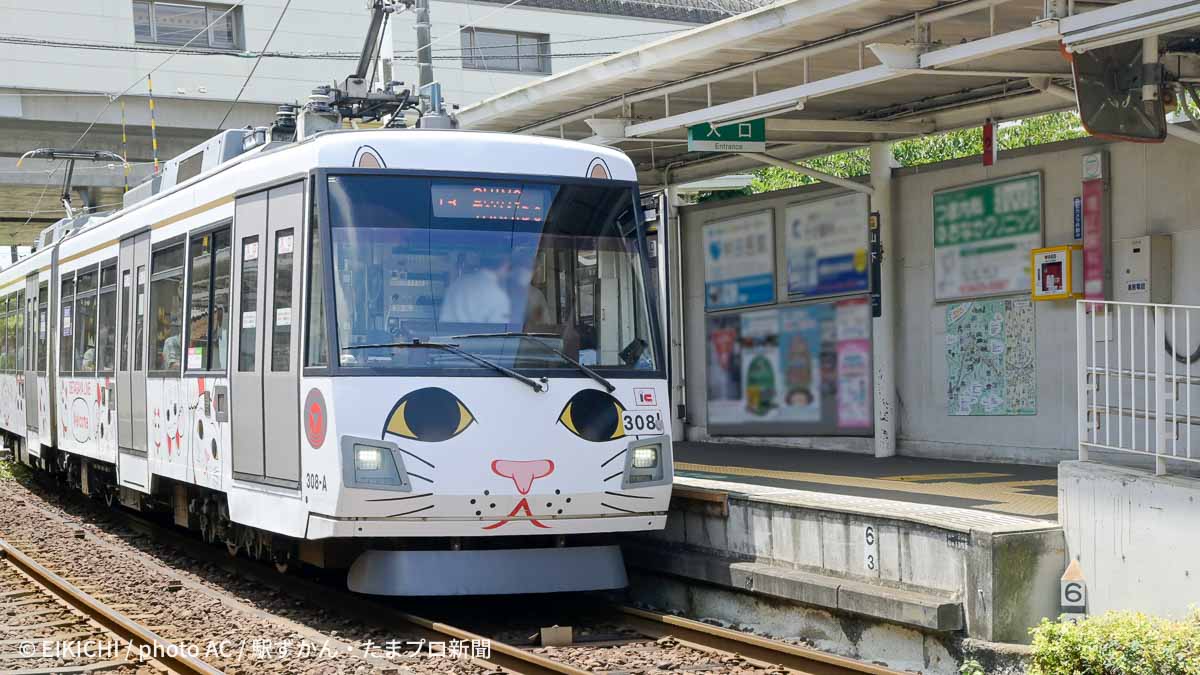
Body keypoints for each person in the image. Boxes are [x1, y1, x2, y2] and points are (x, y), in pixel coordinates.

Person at [438, 254, 512, 325]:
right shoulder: (499, 296)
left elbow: (444, 318)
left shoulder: (457, 284)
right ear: (504, 265)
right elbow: (499, 332)